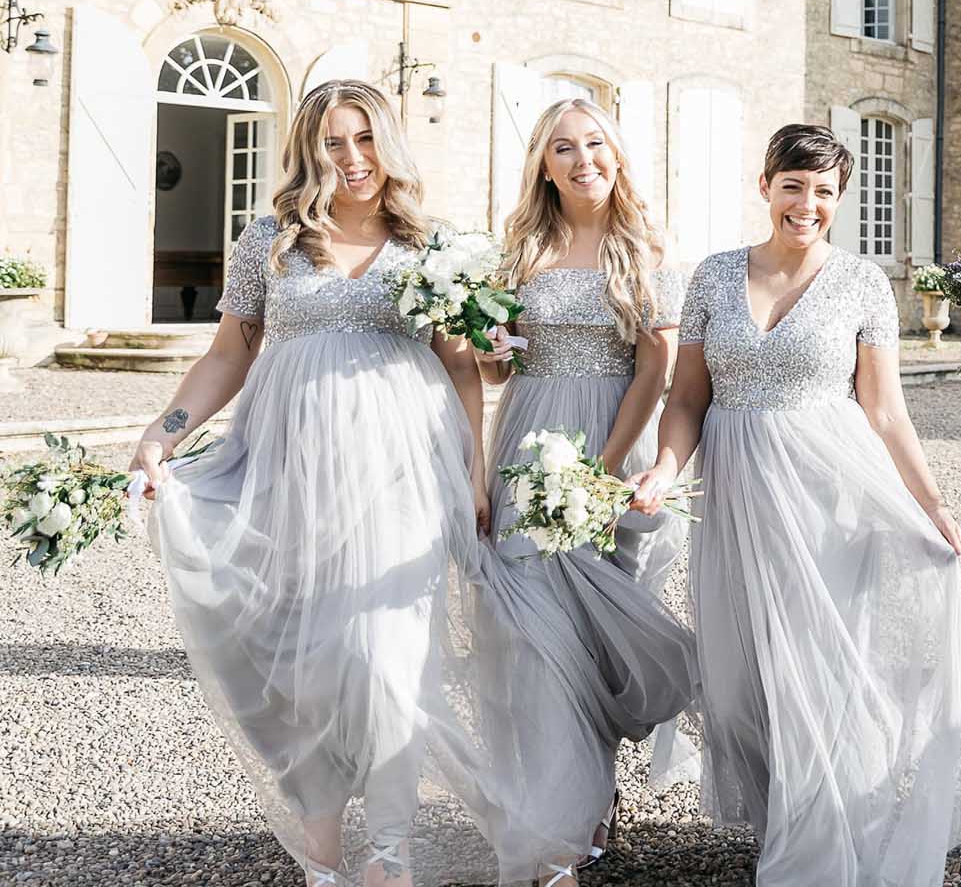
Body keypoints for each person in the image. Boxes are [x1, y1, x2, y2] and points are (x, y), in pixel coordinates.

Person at [128, 80, 525, 887]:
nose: (353, 159)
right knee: (304, 660)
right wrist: (162, 435)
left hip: (401, 474)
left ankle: (390, 853)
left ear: (391, 144)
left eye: (366, 139)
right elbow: (229, 355)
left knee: (388, 658)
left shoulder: (432, 246)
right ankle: (322, 849)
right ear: (308, 152)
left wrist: (474, 473)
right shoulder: (269, 242)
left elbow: (462, 368)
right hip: (291, 471)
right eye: (334, 144)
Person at [626, 123, 961, 887]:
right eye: (794, 186)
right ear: (766, 186)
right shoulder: (714, 277)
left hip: (831, 495)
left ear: (839, 200)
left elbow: (884, 412)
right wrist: (663, 471)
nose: (807, 204)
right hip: (740, 496)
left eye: (824, 192)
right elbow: (686, 399)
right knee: (747, 672)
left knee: (822, 661)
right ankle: (791, 809)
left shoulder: (862, 284)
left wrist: (935, 506)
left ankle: (821, 841)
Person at [471, 97, 699, 885]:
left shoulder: (643, 247)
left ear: (617, 152)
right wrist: (492, 347)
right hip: (526, 440)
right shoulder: (522, 247)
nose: (581, 160)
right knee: (532, 637)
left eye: (594, 144)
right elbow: (498, 368)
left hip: (610, 442)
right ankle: (556, 826)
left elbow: (656, 371)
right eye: (562, 148)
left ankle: (592, 799)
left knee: (597, 637)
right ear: (543, 162)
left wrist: (601, 476)